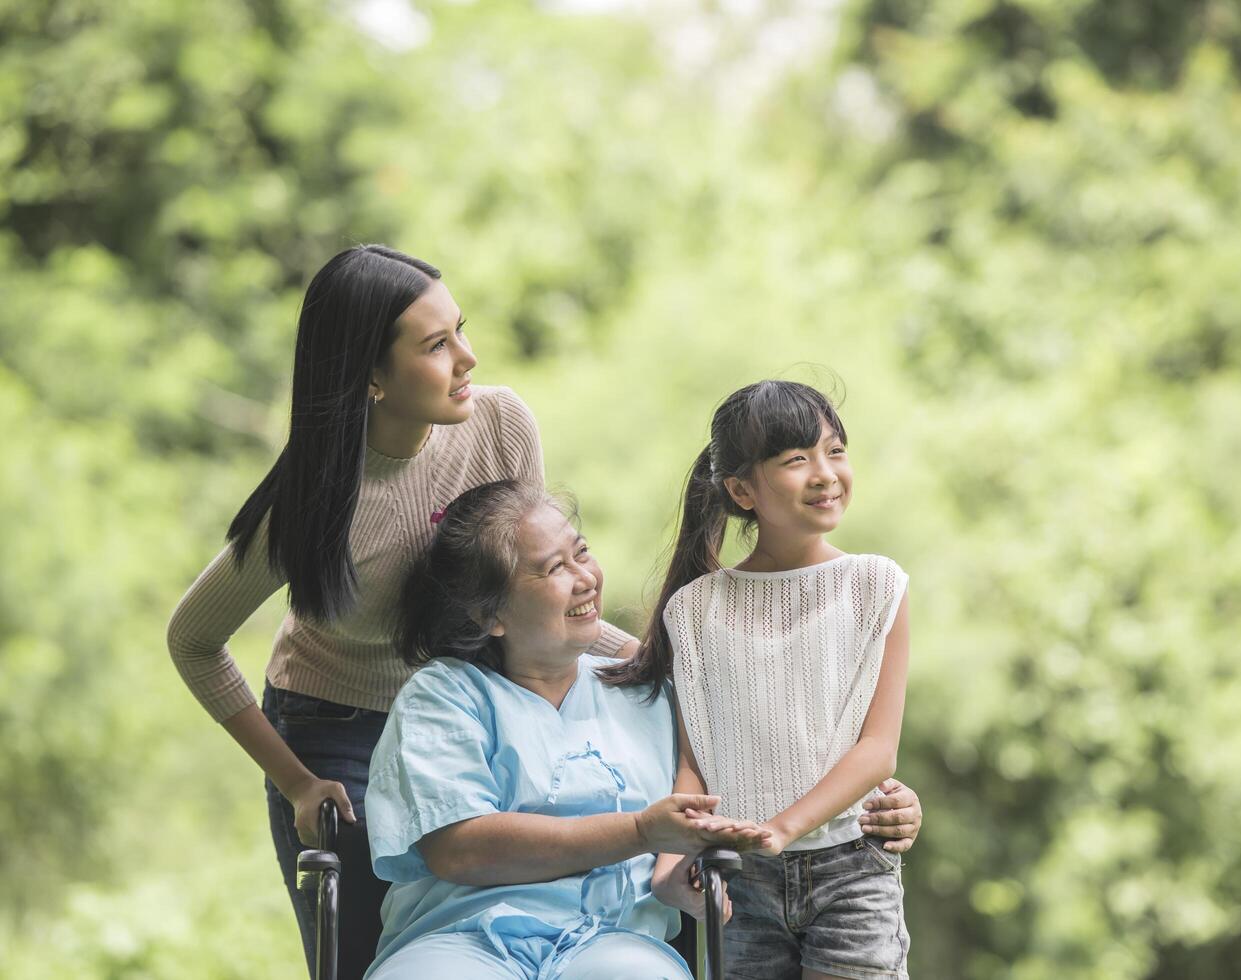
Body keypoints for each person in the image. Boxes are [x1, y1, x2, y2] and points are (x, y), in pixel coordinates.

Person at [165, 245, 637, 979]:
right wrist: (295, 782)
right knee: (367, 958)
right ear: (372, 376)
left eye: (461, 330)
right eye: (437, 345)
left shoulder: (500, 425)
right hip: (341, 733)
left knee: (508, 937)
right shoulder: (311, 508)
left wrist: (651, 661)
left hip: (472, 711)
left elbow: (532, 597)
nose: (468, 358)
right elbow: (194, 640)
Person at [364, 480, 768, 978]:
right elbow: (460, 849)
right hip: (461, 940)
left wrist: (878, 799)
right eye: (555, 568)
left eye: (581, 553)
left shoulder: (649, 693)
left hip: (613, 944)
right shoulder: (444, 697)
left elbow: (762, 768)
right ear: (489, 613)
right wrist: (639, 830)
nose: (586, 578)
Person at [603, 380, 912, 979]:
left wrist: (781, 828)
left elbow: (878, 750)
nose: (825, 473)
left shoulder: (877, 586)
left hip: (852, 872)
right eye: (797, 460)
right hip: (736, 883)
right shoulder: (693, 611)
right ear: (742, 489)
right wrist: (673, 865)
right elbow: (695, 764)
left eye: (835, 451)